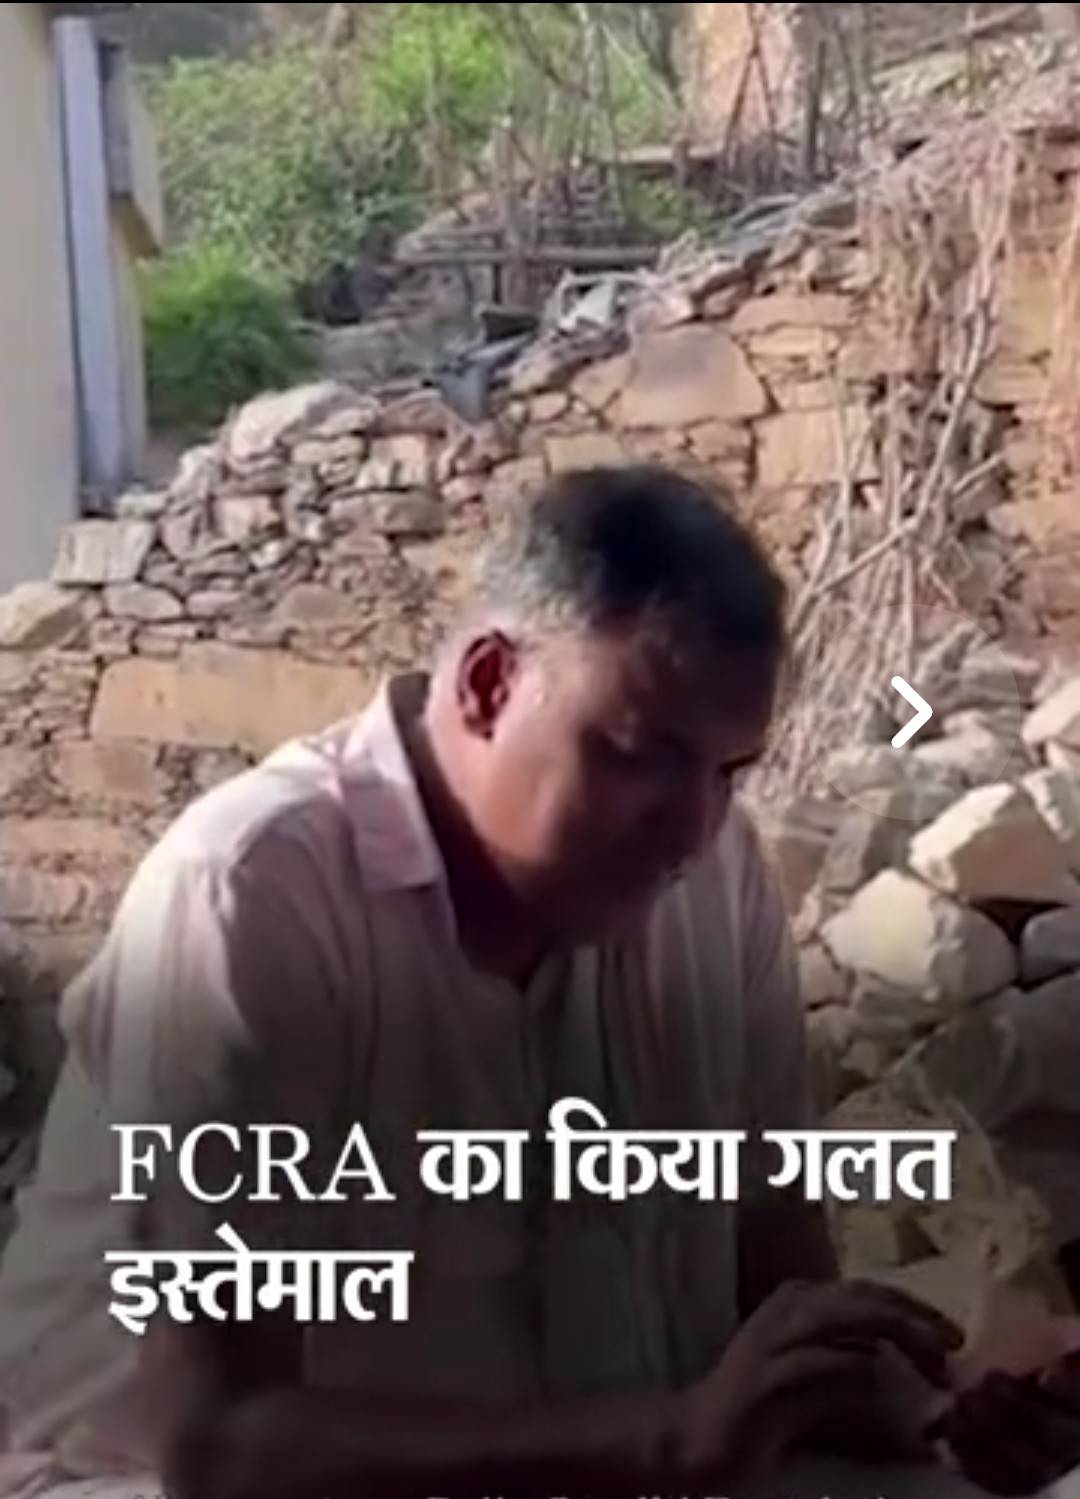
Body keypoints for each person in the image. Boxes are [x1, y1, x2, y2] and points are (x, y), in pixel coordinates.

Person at [0, 465, 1078, 1499]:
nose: (692, 824)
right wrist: (666, 1440)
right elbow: (220, 1448)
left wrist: (935, 1408)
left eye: (728, 771)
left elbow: (776, 1307)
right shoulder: (251, 894)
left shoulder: (716, 878)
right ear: (488, 684)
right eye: (640, 753)